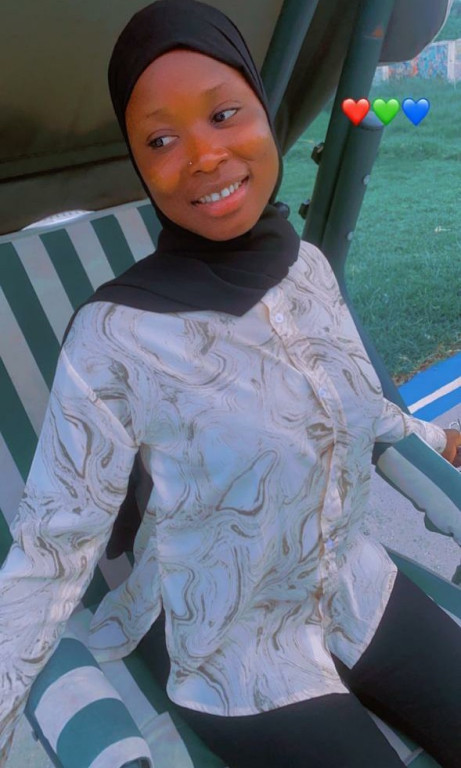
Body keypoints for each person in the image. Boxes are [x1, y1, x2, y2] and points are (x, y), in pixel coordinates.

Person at [1, 1, 461, 766]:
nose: (204, 156)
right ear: (139, 162)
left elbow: (354, 402)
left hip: (348, 577)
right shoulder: (116, 335)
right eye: (160, 139)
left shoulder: (304, 271)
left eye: (223, 114)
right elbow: (51, 547)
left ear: (263, 113)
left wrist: (433, 437)